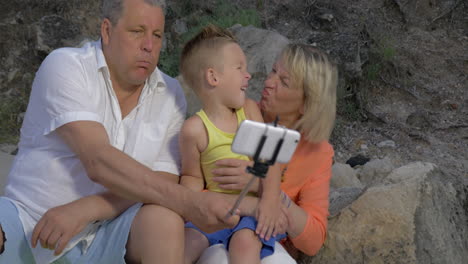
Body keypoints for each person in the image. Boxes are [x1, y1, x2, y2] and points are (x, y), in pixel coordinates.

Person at [0, 0, 239, 263]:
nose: (149, 45)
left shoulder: (170, 94)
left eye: (157, 35)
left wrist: (88, 209)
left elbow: (164, 179)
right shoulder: (66, 65)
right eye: (137, 31)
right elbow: (98, 159)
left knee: (163, 218)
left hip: (108, 231)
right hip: (28, 221)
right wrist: (190, 203)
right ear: (107, 30)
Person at [195, 43, 338, 263]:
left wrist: (265, 189)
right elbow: (193, 194)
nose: (269, 83)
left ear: (307, 104)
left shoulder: (317, 152)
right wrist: (254, 204)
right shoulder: (235, 116)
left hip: (263, 240)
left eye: (284, 81)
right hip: (212, 230)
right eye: (273, 71)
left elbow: (312, 240)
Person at [179, 24, 286, 264]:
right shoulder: (194, 129)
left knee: (244, 244)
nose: (248, 75)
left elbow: (268, 161)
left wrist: (269, 201)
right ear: (213, 77)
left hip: (251, 213)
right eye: (240, 68)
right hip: (214, 210)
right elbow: (192, 177)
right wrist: (193, 204)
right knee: (185, 246)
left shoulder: (248, 112)